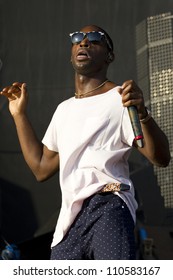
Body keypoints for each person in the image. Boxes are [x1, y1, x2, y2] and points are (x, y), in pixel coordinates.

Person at [0, 25, 170, 260]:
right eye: (78, 38)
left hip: (108, 205)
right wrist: (19, 115)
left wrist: (143, 115)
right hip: (68, 223)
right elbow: (41, 167)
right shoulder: (64, 110)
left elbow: (161, 158)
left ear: (109, 56)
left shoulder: (121, 98)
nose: (84, 42)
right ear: (71, 53)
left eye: (95, 39)